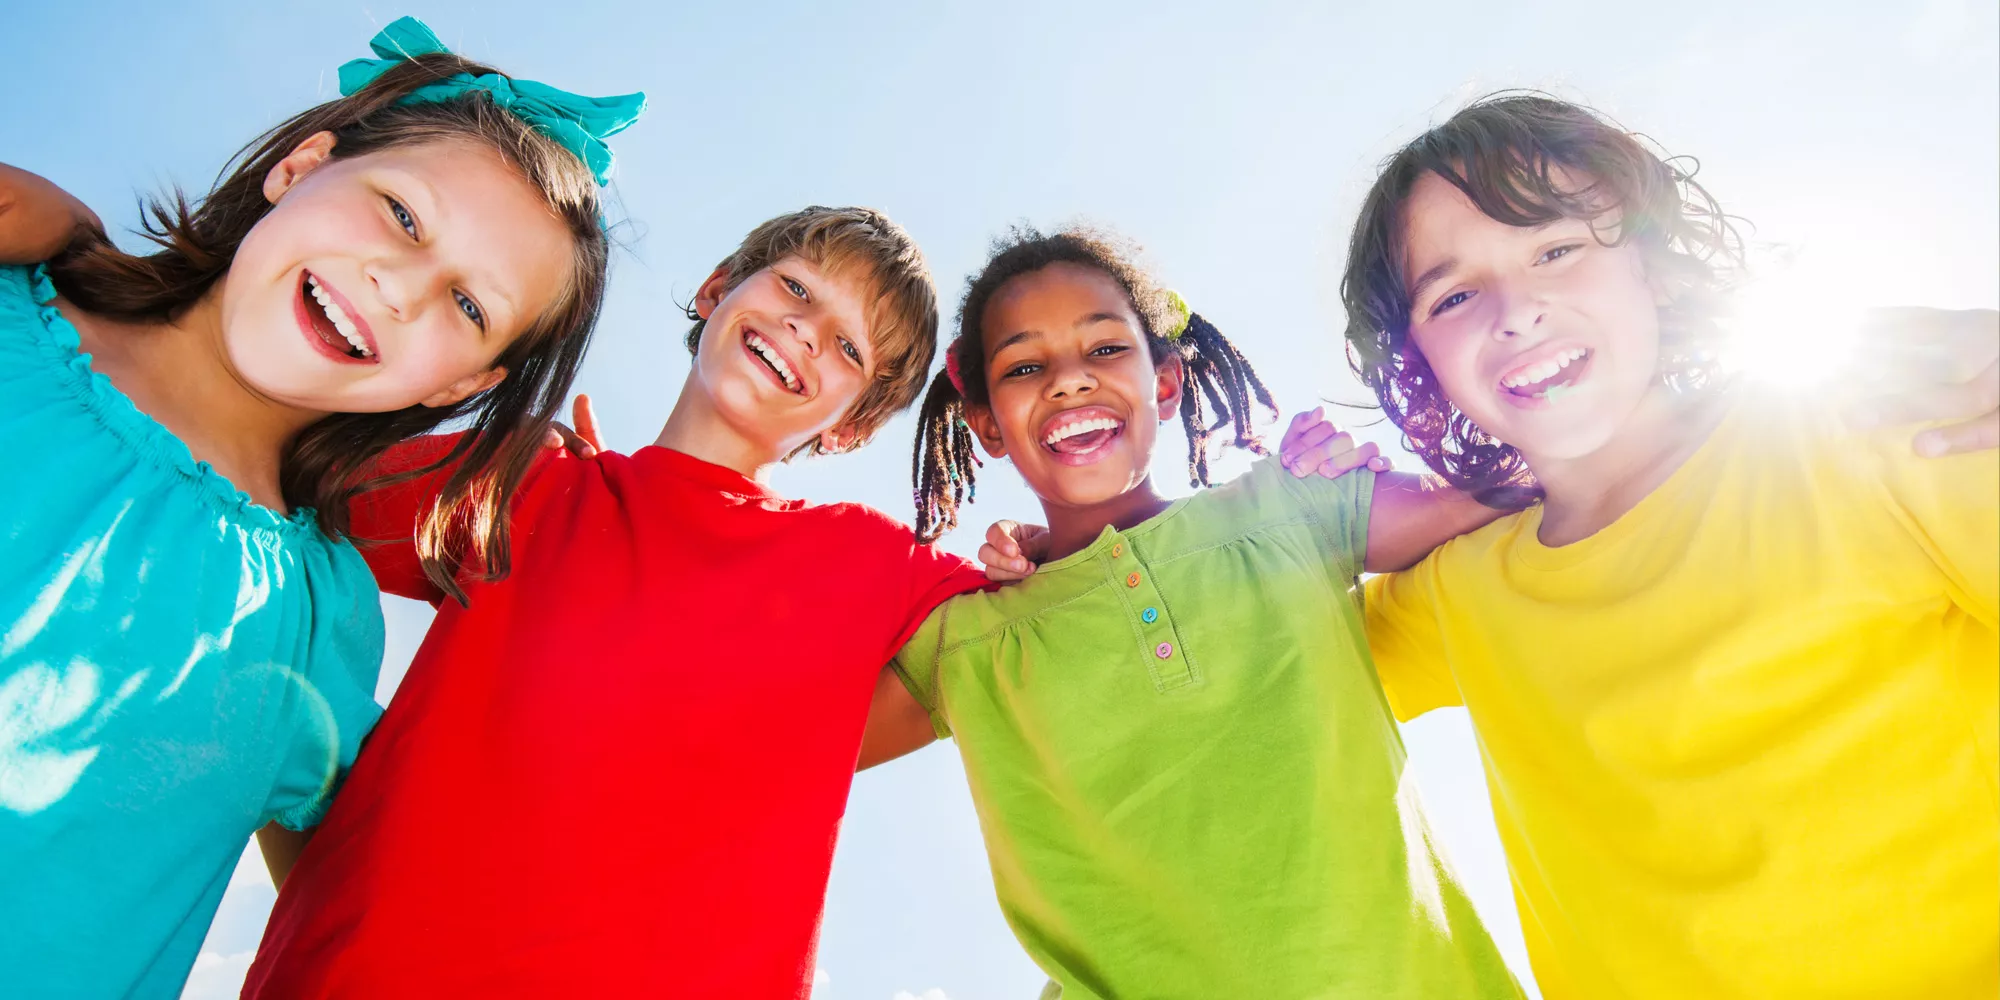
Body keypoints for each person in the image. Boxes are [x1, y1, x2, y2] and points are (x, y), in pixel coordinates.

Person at [0, 15, 639, 997]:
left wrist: (593, 568)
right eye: (403, 216)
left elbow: (391, 908)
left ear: (460, 385)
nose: (400, 288)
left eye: (469, 306)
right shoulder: (18, 286)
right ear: (299, 167)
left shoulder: (315, 627)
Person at [1330, 92, 1999, 998]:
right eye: (1453, 296)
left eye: (1555, 250)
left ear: (1655, 267)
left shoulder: (1871, 437)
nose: (1515, 312)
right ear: (1420, 363)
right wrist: (1336, 519)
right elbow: (1246, 662)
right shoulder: (1456, 593)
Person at [243, 205, 991, 999]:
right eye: (797, 288)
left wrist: (1040, 537)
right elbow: (256, 504)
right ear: (717, 290)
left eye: (848, 348)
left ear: (854, 425)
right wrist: (310, 800)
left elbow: (1046, 633)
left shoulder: (874, 567)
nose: (807, 332)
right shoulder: (525, 480)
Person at [866, 225, 1521, 998]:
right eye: (1025, 366)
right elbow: (776, 756)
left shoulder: (1293, 508)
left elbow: (1524, 483)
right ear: (986, 424)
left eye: (1106, 348)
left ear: (1167, 383)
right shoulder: (967, 640)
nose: (1070, 382)